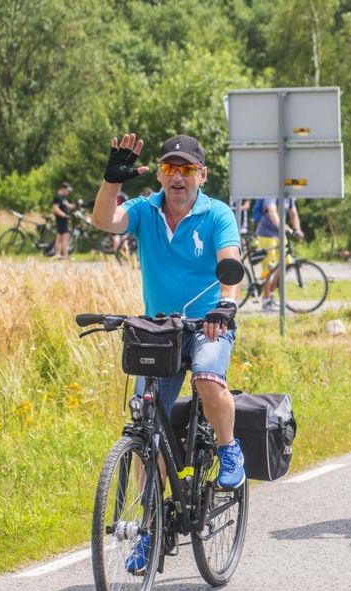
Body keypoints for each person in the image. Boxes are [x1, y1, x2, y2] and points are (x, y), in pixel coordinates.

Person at [91, 133, 247, 565]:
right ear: (159, 173)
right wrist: (110, 181)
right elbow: (104, 220)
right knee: (147, 424)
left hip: (207, 323)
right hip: (158, 328)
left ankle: (229, 446)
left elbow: (229, 261)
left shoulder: (216, 214)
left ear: (202, 174)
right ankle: (151, 527)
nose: (178, 177)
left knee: (208, 378)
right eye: (169, 168)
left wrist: (225, 304)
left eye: (187, 169)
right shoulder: (145, 210)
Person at [252, 196, 305, 311]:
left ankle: (269, 292)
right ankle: (266, 301)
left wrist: (298, 229)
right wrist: (284, 227)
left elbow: (293, 213)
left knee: (286, 263)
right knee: (268, 268)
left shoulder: (289, 195)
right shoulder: (272, 192)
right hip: (266, 234)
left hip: (281, 234)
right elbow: (271, 211)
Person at [51, 182, 76, 261]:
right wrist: (64, 215)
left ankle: (58, 254)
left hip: (64, 221)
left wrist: (77, 205)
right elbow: (55, 209)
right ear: (63, 189)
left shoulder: (63, 198)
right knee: (65, 238)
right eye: (67, 191)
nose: (68, 192)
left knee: (59, 238)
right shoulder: (57, 197)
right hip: (61, 220)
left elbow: (68, 205)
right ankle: (65, 255)